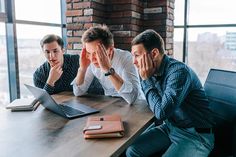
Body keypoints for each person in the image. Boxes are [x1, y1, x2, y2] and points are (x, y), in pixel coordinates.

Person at [126, 29, 215, 157]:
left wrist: (146, 80)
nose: (134, 61)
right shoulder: (148, 71)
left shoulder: (179, 73)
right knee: (132, 150)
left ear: (154, 53)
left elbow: (161, 113)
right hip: (171, 128)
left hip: (196, 135)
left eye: (137, 55)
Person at [72, 25, 140, 104]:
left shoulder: (126, 58)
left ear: (110, 50)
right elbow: (78, 92)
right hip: (111, 104)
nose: (92, 58)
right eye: (89, 53)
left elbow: (133, 98)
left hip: (137, 106)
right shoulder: (91, 61)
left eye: (97, 53)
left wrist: (108, 69)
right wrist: (82, 69)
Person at [33, 34, 104, 95]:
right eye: (47, 52)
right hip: (57, 108)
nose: (51, 56)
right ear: (43, 52)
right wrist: (50, 81)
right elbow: (43, 101)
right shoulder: (38, 75)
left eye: (55, 51)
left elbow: (95, 86)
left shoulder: (78, 61)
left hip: (86, 103)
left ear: (63, 50)